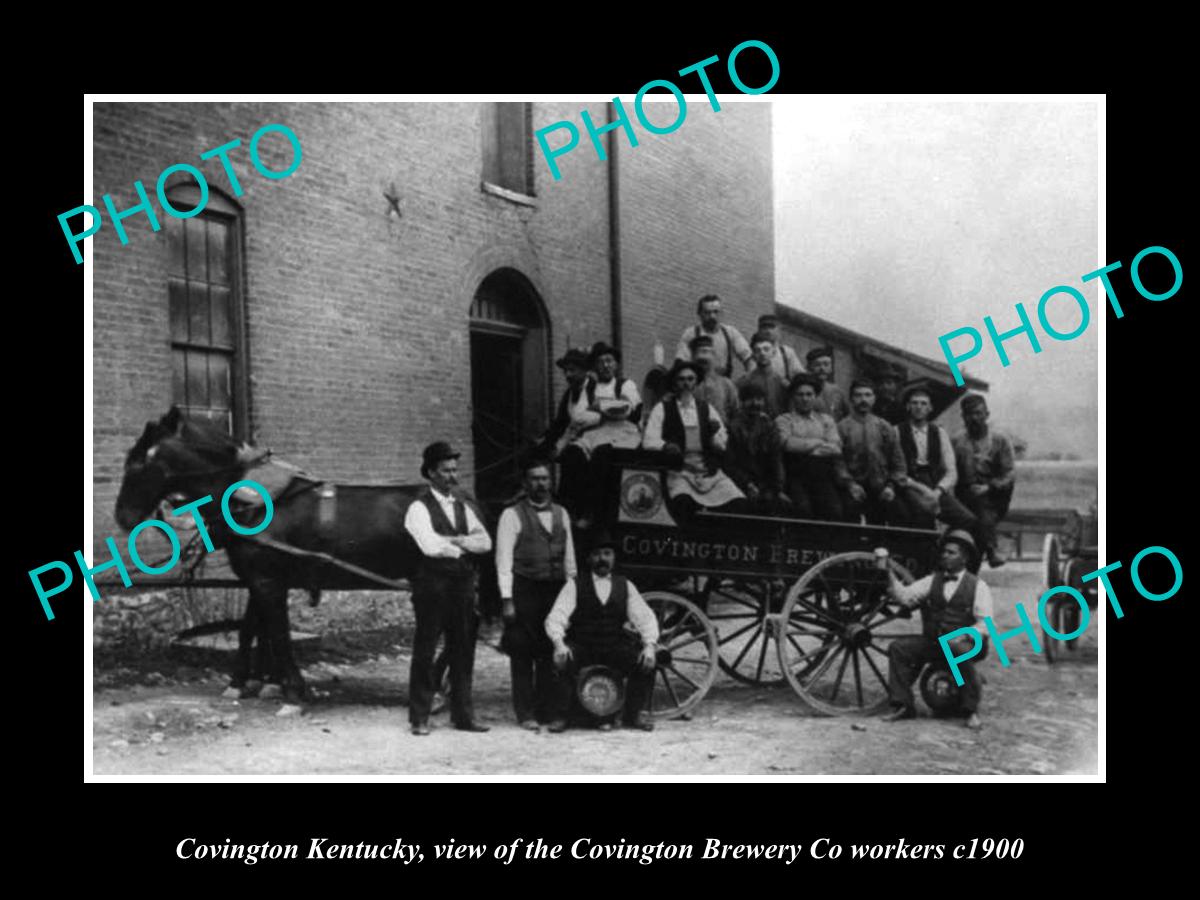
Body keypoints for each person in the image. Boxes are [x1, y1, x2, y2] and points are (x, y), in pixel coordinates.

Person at [403, 442, 493, 735]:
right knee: (426, 648)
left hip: (462, 586)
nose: (453, 476)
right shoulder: (418, 508)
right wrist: (462, 545)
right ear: (431, 473)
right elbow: (429, 546)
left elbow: (485, 542)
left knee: (463, 649)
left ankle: (463, 715)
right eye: (446, 471)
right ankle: (419, 717)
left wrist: (456, 541)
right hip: (433, 586)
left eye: (455, 470)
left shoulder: (462, 505)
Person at [544, 532, 659, 732]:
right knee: (562, 660)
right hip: (583, 645)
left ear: (613, 558)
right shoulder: (575, 584)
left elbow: (645, 618)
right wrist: (559, 644)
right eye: (597, 554)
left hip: (614, 645)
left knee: (644, 661)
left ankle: (635, 714)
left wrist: (650, 646)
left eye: (607, 553)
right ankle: (561, 716)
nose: (602, 559)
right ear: (589, 559)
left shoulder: (625, 585)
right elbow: (556, 616)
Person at [881, 530, 993, 730]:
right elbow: (905, 596)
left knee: (957, 651)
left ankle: (970, 710)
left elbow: (985, 625)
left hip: (967, 643)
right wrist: (887, 571)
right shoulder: (932, 580)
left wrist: (964, 635)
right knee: (899, 648)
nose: (945, 556)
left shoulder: (978, 586)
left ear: (964, 558)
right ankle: (903, 705)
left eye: (952, 553)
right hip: (935, 642)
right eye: (944, 552)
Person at [495, 460, 577, 731]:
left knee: (549, 649)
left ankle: (546, 709)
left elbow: (570, 557)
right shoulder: (512, 515)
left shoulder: (562, 513)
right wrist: (507, 599)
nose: (540, 484)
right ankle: (525, 712)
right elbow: (503, 560)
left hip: (554, 590)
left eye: (544, 479)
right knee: (522, 650)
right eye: (534, 479)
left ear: (550, 482)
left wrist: (571, 591)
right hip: (525, 589)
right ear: (525, 483)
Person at [642, 359, 745, 516]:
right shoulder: (662, 408)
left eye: (690, 379)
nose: (686, 384)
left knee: (736, 502)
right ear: (674, 383)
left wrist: (713, 436)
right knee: (683, 504)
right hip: (678, 473)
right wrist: (665, 446)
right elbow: (649, 440)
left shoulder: (706, 409)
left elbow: (721, 444)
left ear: (696, 383)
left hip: (708, 473)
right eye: (681, 379)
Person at [896, 386, 979, 545]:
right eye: (914, 403)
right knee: (923, 519)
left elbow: (951, 471)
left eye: (923, 403)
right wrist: (917, 487)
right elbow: (895, 469)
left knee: (967, 519)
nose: (919, 407)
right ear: (908, 406)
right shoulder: (897, 432)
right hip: (908, 485)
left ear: (930, 408)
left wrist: (938, 491)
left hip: (934, 484)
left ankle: (943, 548)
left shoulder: (939, 433)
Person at [953, 394, 1015, 569]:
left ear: (987, 414)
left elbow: (1009, 474)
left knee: (980, 508)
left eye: (978, 413)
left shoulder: (1000, 440)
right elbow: (948, 469)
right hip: (962, 495)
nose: (974, 418)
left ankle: (991, 549)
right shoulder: (957, 440)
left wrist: (988, 488)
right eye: (969, 414)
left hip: (993, 498)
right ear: (963, 417)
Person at [775, 373, 849, 520]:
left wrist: (802, 446)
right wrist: (819, 442)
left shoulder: (826, 420)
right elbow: (787, 444)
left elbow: (835, 448)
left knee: (834, 512)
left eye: (809, 394)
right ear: (793, 396)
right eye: (800, 394)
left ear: (815, 396)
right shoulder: (784, 420)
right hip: (795, 476)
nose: (805, 399)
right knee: (803, 512)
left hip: (823, 476)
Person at [837, 379, 908, 525]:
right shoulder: (842, 428)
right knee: (847, 515)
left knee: (902, 514)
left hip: (882, 487)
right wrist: (850, 485)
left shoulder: (884, 427)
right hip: (852, 487)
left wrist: (891, 486)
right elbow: (837, 462)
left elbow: (898, 462)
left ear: (874, 398)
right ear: (851, 399)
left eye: (868, 395)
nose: (863, 400)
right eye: (858, 395)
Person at [725, 381, 789, 510]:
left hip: (766, 483)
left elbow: (776, 459)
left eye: (759, 399)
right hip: (741, 482)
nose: (755, 403)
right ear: (742, 402)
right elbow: (730, 464)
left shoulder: (769, 426)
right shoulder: (733, 427)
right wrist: (747, 484)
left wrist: (778, 488)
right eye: (750, 399)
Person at [675, 293, 752, 377]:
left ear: (721, 313)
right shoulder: (691, 334)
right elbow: (681, 363)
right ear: (699, 314)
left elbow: (749, 359)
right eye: (707, 312)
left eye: (716, 312)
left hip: (723, 384)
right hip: (698, 383)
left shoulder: (731, 333)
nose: (712, 316)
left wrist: (750, 378)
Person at [737, 331, 789, 418]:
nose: (762, 353)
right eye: (757, 350)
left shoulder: (783, 384)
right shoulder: (743, 382)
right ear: (753, 354)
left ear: (773, 352)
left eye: (766, 349)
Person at [690, 333, 740, 423]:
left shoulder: (726, 384)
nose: (703, 357)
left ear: (713, 355)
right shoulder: (687, 383)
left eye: (706, 352)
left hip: (722, 432)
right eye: (698, 353)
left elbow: (736, 413)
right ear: (693, 357)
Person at [756, 313, 805, 382]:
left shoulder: (787, 352)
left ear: (778, 329)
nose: (768, 331)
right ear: (759, 331)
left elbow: (800, 377)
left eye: (772, 327)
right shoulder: (753, 353)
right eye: (764, 328)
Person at [806, 346, 850, 421]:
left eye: (826, 364)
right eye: (817, 365)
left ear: (831, 368)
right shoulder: (804, 392)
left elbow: (848, 418)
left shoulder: (837, 392)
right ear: (809, 367)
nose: (822, 368)